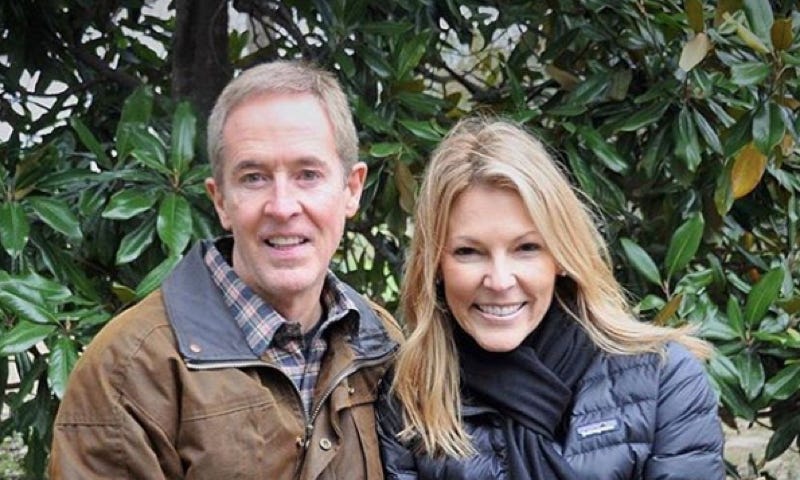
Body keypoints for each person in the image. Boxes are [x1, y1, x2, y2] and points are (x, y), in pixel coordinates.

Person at [49, 60, 402, 479]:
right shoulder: (131, 369)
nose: (283, 206)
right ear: (220, 201)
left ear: (351, 189)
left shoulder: (378, 343)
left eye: (308, 175)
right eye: (254, 178)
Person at [377, 118, 725, 480]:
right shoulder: (409, 400)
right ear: (435, 263)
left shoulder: (663, 380)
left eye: (526, 248)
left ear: (561, 255)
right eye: (468, 252)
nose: (499, 280)